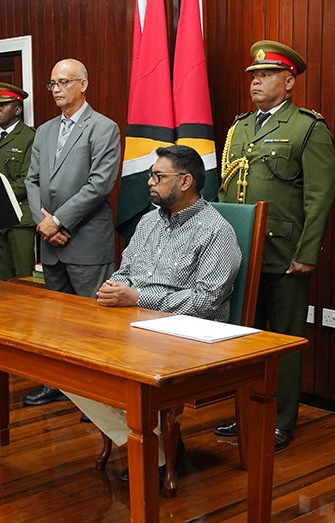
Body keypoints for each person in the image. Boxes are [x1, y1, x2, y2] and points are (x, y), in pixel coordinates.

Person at [66, 145, 242, 481]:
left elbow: (207, 300)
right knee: (66, 364)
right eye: (151, 175)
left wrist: (138, 299)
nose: (149, 182)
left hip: (188, 337)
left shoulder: (216, 231)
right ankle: (159, 450)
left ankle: (153, 450)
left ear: (186, 181)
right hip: (133, 325)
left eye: (158, 176)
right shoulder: (148, 222)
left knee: (110, 370)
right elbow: (125, 271)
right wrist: (113, 289)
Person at [214, 40, 335, 451]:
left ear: (289, 82)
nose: (256, 81)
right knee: (243, 339)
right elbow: (227, 191)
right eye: (253, 75)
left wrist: (307, 252)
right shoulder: (240, 127)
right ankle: (245, 412)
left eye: (266, 75)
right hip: (240, 253)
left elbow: (320, 196)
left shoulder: (307, 127)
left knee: (282, 340)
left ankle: (281, 419)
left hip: (285, 255)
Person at [22, 58, 121, 407]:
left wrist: (59, 221)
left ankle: (98, 396)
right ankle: (58, 385)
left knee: (95, 325)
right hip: (51, 243)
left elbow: (99, 185)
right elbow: (31, 180)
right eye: (52, 84)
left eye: (64, 82)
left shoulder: (104, 128)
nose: (57, 90)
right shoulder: (45, 131)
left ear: (83, 84)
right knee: (56, 322)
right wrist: (43, 223)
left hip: (87, 244)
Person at [0, 82, 37, 281]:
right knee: (0, 278)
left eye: (2, 105)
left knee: (23, 280)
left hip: (19, 218)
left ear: (18, 109)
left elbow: (27, 180)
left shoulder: (29, 137)